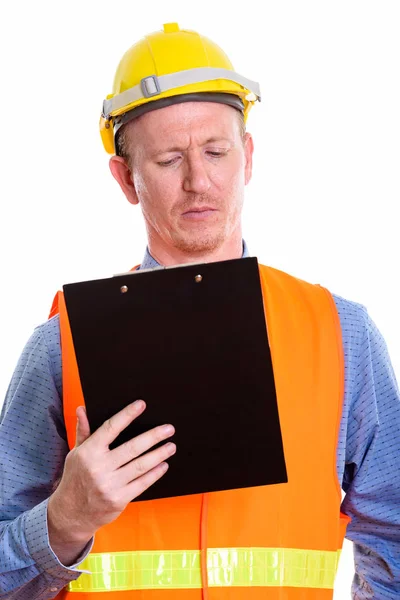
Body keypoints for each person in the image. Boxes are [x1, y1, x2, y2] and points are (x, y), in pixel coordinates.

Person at [0, 21, 399, 600]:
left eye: (216, 151)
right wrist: (62, 522)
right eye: (167, 159)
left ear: (249, 155)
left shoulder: (340, 335)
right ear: (125, 178)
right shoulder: (62, 348)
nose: (198, 180)